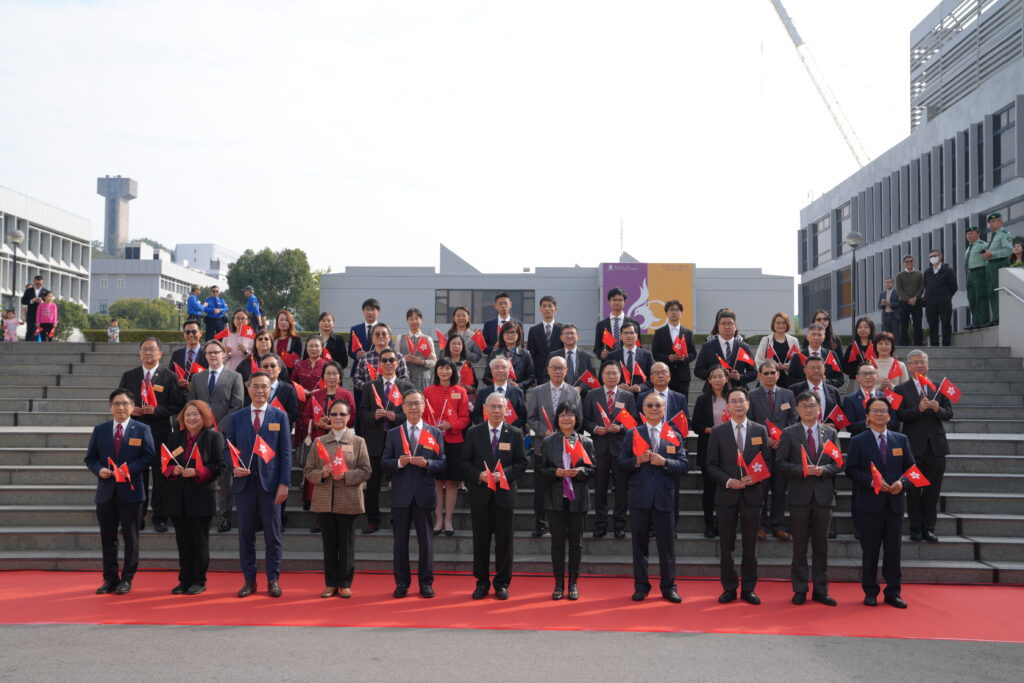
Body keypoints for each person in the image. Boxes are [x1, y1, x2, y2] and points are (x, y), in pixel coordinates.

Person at [224, 372, 293, 598]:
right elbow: (228, 449)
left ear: (269, 389)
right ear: (248, 387)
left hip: (271, 484)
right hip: (245, 483)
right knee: (245, 534)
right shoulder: (238, 417)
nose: (260, 391)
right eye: (256, 387)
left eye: (264, 387)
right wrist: (233, 466)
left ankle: (273, 578)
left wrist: (284, 483)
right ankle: (249, 579)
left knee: (273, 535)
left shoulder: (279, 416)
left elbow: (285, 453)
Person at [617, 393, 688, 603]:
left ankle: (669, 587)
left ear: (664, 409)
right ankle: (641, 586)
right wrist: (637, 461)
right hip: (640, 497)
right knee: (639, 545)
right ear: (643, 410)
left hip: (665, 497)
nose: (654, 408)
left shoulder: (673, 434)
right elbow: (621, 464)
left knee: (667, 546)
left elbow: (684, 465)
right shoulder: (633, 433)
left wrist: (664, 462)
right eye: (650, 405)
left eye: (658, 405)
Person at [84, 388, 156, 595]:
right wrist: (100, 470)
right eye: (116, 404)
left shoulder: (141, 429)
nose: (121, 407)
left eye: (125, 404)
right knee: (108, 537)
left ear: (133, 407)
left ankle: (127, 578)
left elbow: (149, 457)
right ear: (110, 407)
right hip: (106, 493)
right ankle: (110, 578)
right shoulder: (101, 430)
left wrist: (126, 470)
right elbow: (90, 458)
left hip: (131, 492)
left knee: (131, 537)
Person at [845, 396, 914, 608]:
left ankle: (893, 592)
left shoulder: (900, 440)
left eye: (883, 411)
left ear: (890, 416)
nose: (879, 414)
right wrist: (872, 482)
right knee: (871, 551)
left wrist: (902, 483)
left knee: (894, 551)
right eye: (875, 411)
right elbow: (851, 470)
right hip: (869, 505)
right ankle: (870, 591)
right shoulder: (858, 441)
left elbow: (912, 470)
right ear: (867, 417)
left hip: (894, 504)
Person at [706, 386, 772, 605]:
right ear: (728, 406)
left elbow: (767, 461)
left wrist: (756, 476)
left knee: (750, 545)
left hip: (753, 495)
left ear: (748, 404)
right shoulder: (718, 431)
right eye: (733, 401)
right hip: (727, 495)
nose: (737, 404)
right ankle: (729, 587)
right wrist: (728, 481)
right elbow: (711, 465)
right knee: (727, 545)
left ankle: (749, 588)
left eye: (741, 401)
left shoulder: (759, 430)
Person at [775, 391, 840, 606]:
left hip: (823, 496)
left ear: (819, 409)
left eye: (812, 405)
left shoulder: (830, 433)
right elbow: (781, 462)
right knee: (799, 546)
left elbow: (838, 463)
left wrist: (823, 470)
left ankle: (821, 590)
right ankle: (800, 589)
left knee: (821, 546)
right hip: (799, 496)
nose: (809, 409)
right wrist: (802, 469)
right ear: (797, 409)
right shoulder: (789, 433)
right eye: (804, 406)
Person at [463, 392, 529, 600]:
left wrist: (506, 474)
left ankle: (501, 583)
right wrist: (478, 475)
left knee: (504, 541)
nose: (497, 411)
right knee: (480, 541)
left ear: (506, 410)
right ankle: (481, 582)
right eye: (493, 406)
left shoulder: (515, 433)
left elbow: (522, 463)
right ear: (485, 409)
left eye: (501, 407)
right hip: (481, 495)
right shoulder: (474, 433)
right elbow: (464, 462)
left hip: (504, 495)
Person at [381, 390, 447, 598]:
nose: (413, 407)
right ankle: (402, 583)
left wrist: (427, 463)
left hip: (424, 494)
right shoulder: (394, 433)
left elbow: (443, 462)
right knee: (400, 542)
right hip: (401, 494)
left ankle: (426, 583)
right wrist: (399, 462)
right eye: (409, 404)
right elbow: (384, 462)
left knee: (425, 541)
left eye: (417, 403)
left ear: (424, 406)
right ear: (403, 407)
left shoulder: (434, 433)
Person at [159, 400, 226, 595]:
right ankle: (184, 579)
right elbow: (164, 462)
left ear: (204, 417)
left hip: (201, 496)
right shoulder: (174, 437)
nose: (191, 418)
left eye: (196, 414)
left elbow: (220, 467)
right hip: (177, 498)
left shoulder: (213, 437)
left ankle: (199, 579)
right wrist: (174, 469)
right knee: (183, 542)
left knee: (199, 541)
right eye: (188, 415)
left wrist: (198, 472)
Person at [118, 337, 185, 533]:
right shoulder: (129, 376)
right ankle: (137, 517)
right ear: (140, 353)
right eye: (145, 350)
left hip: (160, 433)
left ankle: (160, 517)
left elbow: (177, 405)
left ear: (160, 354)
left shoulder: (169, 377)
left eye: (152, 350)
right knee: (136, 474)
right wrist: (130, 410)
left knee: (160, 476)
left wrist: (157, 410)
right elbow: (119, 401)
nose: (148, 353)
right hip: (134, 432)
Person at [304, 401, 371, 598]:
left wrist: (347, 475)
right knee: (329, 545)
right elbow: (308, 471)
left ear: (349, 417)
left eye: (342, 414)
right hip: (325, 499)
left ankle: (345, 583)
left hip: (348, 499)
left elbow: (366, 470)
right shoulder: (320, 442)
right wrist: (322, 473)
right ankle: (330, 583)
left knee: (347, 545)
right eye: (334, 414)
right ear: (329, 417)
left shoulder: (358, 442)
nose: (338, 417)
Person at [538, 401, 595, 600]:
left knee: (576, 543)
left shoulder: (585, 442)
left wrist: (579, 472)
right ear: (557, 419)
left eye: (570, 415)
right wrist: (556, 472)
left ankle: (573, 583)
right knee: (557, 543)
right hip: (556, 499)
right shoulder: (548, 442)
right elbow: (542, 469)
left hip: (578, 499)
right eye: (562, 415)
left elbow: (592, 469)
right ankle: (558, 583)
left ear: (576, 418)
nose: (566, 419)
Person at [894, 350, 953, 543]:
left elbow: (949, 413)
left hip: (936, 447)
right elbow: (899, 416)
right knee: (912, 489)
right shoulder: (901, 388)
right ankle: (915, 528)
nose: (919, 366)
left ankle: (929, 528)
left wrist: (938, 409)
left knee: (932, 490)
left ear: (928, 365)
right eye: (915, 363)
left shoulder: (938, 387)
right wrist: (917, 410)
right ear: (909, 366)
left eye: (923, 362)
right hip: (913, 448)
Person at [187, 340, 244, 533]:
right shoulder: (197, 378)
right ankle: (202, 512)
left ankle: (225, 517)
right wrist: (200, 426)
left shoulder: (235, 377)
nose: (212, 356)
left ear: (223, 354)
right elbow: (191, 406)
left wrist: (218, 428)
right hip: (200, 435)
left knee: (225, 478)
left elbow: (237, 407)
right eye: (209, 353)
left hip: (225, 435)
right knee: (201, 473)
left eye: (216, 352)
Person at [357, 347, 414, 534]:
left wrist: (395, 417)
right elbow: (362, 414)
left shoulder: (406, 387)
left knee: (399, 484)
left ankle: (399, 519)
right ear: (379, 364)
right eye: (385, 361)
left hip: (398, 442)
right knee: (372, 485)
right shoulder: (369, 387)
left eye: (392, 360)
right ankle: (373, 520)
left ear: (397, 364)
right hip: (374, 441)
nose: (388, 364)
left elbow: (412, 415)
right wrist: (374, 415)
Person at [527, 356, 582, 538]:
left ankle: (563, 525)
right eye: (554, 368)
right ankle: (539, 523)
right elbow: (531, 418)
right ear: (548, 370)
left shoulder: (573, 392)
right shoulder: (537, 391)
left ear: (566, 370)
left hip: (567, 447)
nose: (558, 371)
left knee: (563, 488)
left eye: (561, 368)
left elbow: (578, 419)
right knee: (541, 489)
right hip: (543, 446)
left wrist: (563, 432)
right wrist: (546, 432)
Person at [843, 362, 899, 540]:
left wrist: (881, 421)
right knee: (860, 488)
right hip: (861, 447)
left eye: (871, 373)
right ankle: (859, 527)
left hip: (884, 446)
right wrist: (870, 423)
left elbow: (895, 422)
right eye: (864, 374)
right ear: (857, 377)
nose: (868, 377)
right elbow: (849, 425)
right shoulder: (851, 399)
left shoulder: (886, 397)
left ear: (877, 377)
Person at [582, 359, 638, 539]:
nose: (612, 376)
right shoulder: (592, 394)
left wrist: (621, 428)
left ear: (620, 376)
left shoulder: (627, 396)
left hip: (621, 449)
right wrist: (595, 429)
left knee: (622, 489)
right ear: (602, 375)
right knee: (599, 489)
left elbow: (634, 422)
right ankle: (600, 524)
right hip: (599, 448)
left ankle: (619, 525)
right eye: (608, 373)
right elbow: (585, 420)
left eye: (615, 373)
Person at [299, 360, 357, 529]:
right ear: (323, 376)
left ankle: (338, 511)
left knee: (337, 474)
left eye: (335, 373)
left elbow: (352, 417)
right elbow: (306, 416)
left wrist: (335, 425)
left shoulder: (346, 395)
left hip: (340, 441)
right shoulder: (316, 395)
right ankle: (320, 516)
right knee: (321, 475)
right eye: (328, 373)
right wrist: (318, 423)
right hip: (320, 440)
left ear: (340, 376)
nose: (331, 377)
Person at [747, 360, 798, 541]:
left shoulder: (788, 394)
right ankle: (761, 525)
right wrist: (766, 440)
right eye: (766, 373)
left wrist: (781, 440)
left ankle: (778, 525)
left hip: (783, 451)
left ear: (778, 374)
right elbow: (750, 422)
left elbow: (793, 420)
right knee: (760, 490)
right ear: (760, 375)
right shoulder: (751, 396)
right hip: (760, 451)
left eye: (772, 372)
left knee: (779, 490)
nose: (769, 376)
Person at [424, 359, 470, 535]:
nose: (444, 371)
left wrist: (451, 425)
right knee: (437, 481)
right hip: (433, 441)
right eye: (441, 368)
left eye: (447, 368)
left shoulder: (460, 391)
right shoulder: (428, 391)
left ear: (452, 371)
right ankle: (438, 520)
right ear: (436, 371)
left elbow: (465, 417)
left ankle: (449, 520)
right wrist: (432, 426)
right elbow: (424, 415)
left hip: (454, 440)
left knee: (451, 482)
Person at [691, 364, 731, 538]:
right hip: (708, 448)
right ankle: (709, 524)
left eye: (720, 376)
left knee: (727, 490)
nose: (717, 380)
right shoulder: (702, 400)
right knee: (709, 490)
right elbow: (696, 426)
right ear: (708, 380)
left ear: (726, 378)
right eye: (713, 377)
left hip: (729, 449)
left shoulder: (733, 398)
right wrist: (711, 430)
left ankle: (724, 524)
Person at [693, 310, 757, 388]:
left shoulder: (743, 347)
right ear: (718, 326)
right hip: (713, 392)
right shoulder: (707, 346)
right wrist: (716, 376)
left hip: (738, 391)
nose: (727, 327)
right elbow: (698, 371)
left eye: (730, 323)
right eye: (723, 323)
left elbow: (753, 372)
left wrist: (739, 376)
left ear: (735, 326)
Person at [650, 299, 697, 395]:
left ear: (681, 313)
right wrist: (667, 358)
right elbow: (655, 353)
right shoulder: (659, 332)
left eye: (677, 310)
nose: (674, 312)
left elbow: (693, 353)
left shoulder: (688, 332)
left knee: (682, 404)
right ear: (666, 313)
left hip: (683, 376)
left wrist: (684, 358)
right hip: (665, 375)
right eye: (671, 309)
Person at [471, 357, 528, 431]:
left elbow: (523, 416)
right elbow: (476, 416)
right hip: (487, 433)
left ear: (509, 370)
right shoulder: (483, 392)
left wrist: (507, 427)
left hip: (510, 434)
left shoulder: (517, 392)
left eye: (504, 367)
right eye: (497, 367)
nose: (500, 370)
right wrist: (490, 425)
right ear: (491, 371)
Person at [353, 322, 410, 394]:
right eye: (377, 334)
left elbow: (404, 378)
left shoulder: (398, 357)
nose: (380, 336)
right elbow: (356, 378)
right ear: (372, 339)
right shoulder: (365, 358)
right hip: (371, 398)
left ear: (389, 337)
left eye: (384, 334)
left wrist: (391, 387)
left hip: (394, 397)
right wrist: (368, 388)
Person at [788, 356, 843, 428]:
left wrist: (834, 426)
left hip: (827, 434)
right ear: (805, 370)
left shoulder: (834, 391)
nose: (816, 370)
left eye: (819, 368)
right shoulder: (794, 390)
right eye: (813, 368)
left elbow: (840, 415)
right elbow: (789, 415)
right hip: (801, 435)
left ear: (824, 370)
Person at [981, 212, 1015, 324]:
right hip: (991, 265)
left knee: (997, 292)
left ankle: (999, 318)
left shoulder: (1004, 233)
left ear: (1001, 221)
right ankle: (995, 317)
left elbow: (1008, 250)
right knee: (991, 292)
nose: (991, 224)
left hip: (999, 263)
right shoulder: (994, 235)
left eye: (993, 221)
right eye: (989, 222)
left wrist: (992, 254)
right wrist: (987, 254)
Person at [788, 323, 845, 389]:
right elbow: (790, 380)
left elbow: (840, 379)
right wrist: (810, 382)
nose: (816, 338)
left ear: (824, 337)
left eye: (819, 335)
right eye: (813, 334)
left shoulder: (831, 354)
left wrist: (826, 381)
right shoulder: (797, 356)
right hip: (804, 395)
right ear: (807, 337)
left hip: (826, 393)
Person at [483, 321, 535, 391]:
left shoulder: (525, 354)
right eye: (507, 332)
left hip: (517, 393)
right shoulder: (495, 353)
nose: (510, 335)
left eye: (513, 332)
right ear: (502, 335)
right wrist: (498, 383)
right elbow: (486, 377)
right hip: (497, 393)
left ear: (518, 335)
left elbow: (531, 378)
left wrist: (519, 385)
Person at [546, 324, 597, 395]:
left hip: (580, 397)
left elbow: (593, 380)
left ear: (578, 337)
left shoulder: (587, 357)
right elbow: (545, 376)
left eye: (572, 333)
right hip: (558, 395)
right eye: (566, 333)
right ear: (561, 338)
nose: (569, 336)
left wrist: (581, 388)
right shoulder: (553, 355)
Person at [606, 321, 653, 395]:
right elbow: (604, 379)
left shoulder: (647, 355)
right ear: (621, 336)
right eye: (626, 333)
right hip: (619, 396)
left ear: (636, 336)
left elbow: (653, 379)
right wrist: (616, 386)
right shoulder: (611, 356)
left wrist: (641, 387)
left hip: (641, 397)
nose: (629, 336)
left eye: (631, 333)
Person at [754, 313, 798, 389]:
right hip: (769, 380)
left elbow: (798, 361)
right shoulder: (766, 340)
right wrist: (772, 366)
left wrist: (789, 366)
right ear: (773, 325)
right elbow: (758, 360)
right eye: (778, 323)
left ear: (787, 324)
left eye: (783, 323)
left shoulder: (794, 341)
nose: (781, 325)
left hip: (788, 382)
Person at [923, 250, 958, 346]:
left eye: (934, 255)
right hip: (930, 303)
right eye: (930, 256)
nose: (932, 258)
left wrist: (946, 296)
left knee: (946, 323)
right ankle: (934, 345)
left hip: (944, 302)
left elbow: (954, 286)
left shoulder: (947, 270)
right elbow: (926, 286)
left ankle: (946, 344)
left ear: (940, 256)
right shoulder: (927, 272)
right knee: (932, 325)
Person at [593, 287, 639, 360]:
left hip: (628, 364)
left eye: (620, 300)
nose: (617, 302)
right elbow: (597, 348)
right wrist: (601, 354)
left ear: (625, 301)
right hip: (608, 365)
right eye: (614, 300)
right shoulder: (601, 325)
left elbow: (638, 346)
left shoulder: (633, 323)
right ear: (609, 301)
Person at [398, 308, 437, 391]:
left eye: (417, 318)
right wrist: (403, 359)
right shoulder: (400, 338)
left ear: (421, 320)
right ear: (407, 321)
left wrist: (422, 362)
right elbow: (395, 359)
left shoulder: (427, 339)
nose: (414, 321)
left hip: (423, 379)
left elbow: (433, 361)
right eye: (411, 319)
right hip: (405, 378)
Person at [348, 298, 382, 395]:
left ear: (378, 312)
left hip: (378, 370)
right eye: (367, 309)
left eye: (373, 309)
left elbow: (389, 348)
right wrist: (356, 355)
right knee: (360, 402)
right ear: (363, 311)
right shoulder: (355, 329)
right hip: (360, 372)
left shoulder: (383, 329)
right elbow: (350, 350)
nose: (370, 312)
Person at [527, 296, 563, 384]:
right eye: (544, 306)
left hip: (558, 372)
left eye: (550, 306)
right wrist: (533, 375)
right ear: (540, 309)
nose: (547, 309)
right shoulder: (533, 330)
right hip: (540, 373)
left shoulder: (562, 329)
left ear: (555, 309)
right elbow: (531, 355)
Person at [170, 320, 208, 392]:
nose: (190, 335)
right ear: (184, 334)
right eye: (187, 332)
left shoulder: (207, 354)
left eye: (194, 332)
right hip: (179, 397)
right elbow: (170, 375)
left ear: (200, 333)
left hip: (200, 396)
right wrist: (177, 382)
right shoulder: (176, 354)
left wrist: (195, 385)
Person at [895, 255, 924, 346]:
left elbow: (921, 287)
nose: (909, 263)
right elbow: (899, 290)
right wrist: (909, 299)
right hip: (904, 302)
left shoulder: (919, 274)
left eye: (911, 261)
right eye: (907, 261)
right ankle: (904, 344)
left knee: (918, 324)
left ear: (914, 262)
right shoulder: (899, 275)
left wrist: (915, 298)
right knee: (904, 325)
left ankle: (918, 344)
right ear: (904, 263)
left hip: (917, 302)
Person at [843, 317, 876, 384]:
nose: (862, 329)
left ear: (871, 329)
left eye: (866, 327)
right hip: (855, 381)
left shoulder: (876, 347)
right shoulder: (851, 347)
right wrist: (859, 374)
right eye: (860, 327)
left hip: (873, 382)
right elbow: (844, 366)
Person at [20, 275, 50, 342]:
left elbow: (50, 304)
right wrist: (32, 301)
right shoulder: (28, 290)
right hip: (31, 314)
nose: (38, 285)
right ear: (34, 282)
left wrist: (42, 302)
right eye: (37, 284)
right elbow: (23, 301)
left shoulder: (46, 292)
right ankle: (27, 347)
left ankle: (43, 349)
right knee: (30, 331)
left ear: (42, 282)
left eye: (40, 284)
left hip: (43, 316)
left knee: (43, 332)